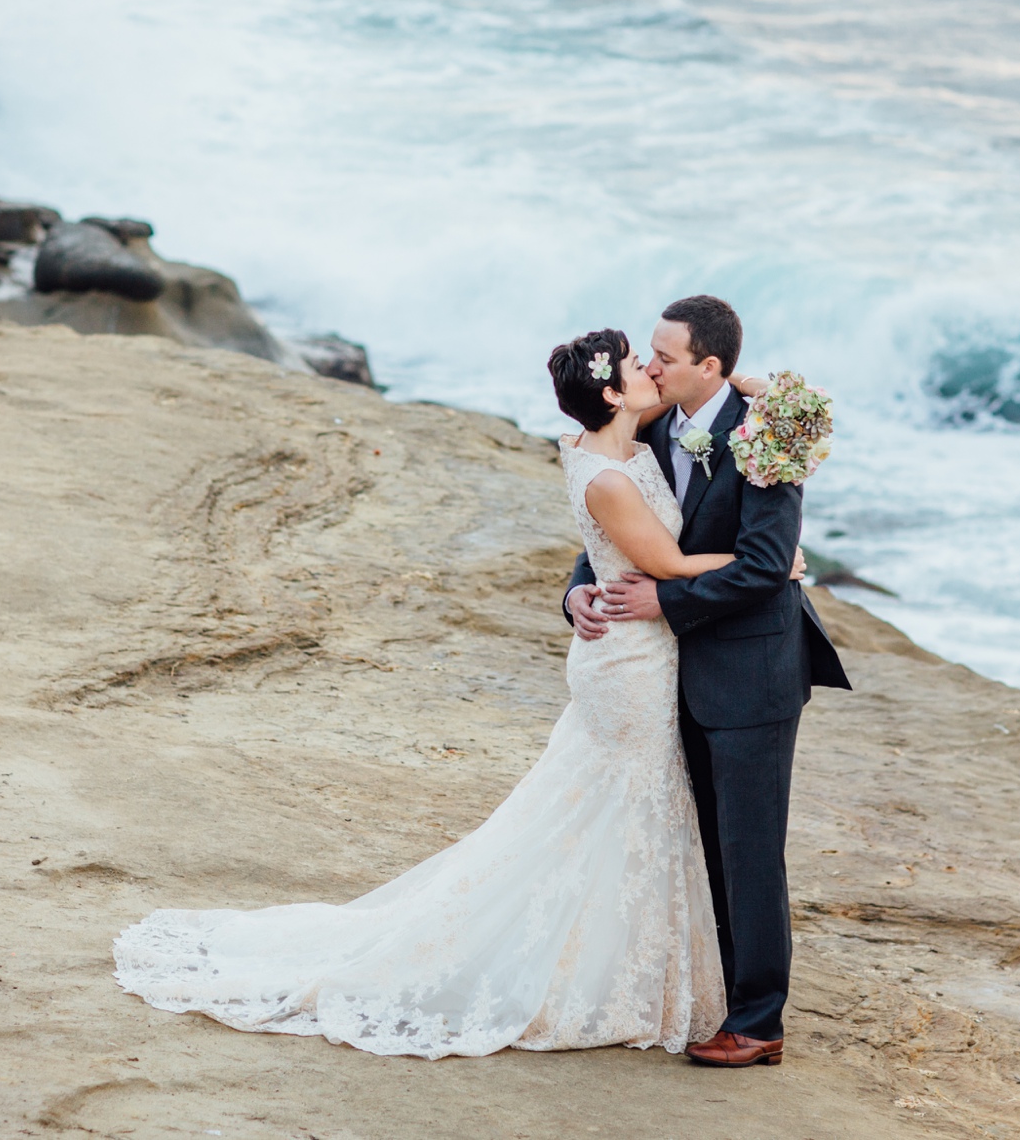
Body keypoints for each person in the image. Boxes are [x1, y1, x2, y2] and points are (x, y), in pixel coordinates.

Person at [112, 328, 781, 1059]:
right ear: (614, 392)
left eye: (661, 357)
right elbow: (667, 558)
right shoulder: (613, 468)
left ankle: (626, 972)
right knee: (622, 809)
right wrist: (775, 562)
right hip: (629, 666)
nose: (650, 369)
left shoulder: (632, 434)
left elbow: (645, 490)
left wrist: (755, 394)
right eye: (636, 363)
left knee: (615, 814)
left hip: (645, 657)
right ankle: (587, 976)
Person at [567, 294, 851, 1069]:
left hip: (753, 670)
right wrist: (576, 589)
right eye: (649, 354)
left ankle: (760, 1023)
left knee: (750, 849)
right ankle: (714, 994)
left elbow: (766, 566)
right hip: (668, 678)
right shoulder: (654, 423)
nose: (651, 365)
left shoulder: (768, 436)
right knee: (704, 847)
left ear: (711, 367)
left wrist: (666, 596)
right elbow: (615, 528)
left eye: (666, 356)